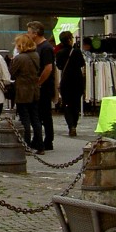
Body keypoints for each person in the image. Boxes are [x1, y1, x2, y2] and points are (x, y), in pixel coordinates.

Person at [10, 33, 43, 152]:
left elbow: (12, 74)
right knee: (35, 118)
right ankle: (39, 144)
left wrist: (11, 62)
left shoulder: (19, 58)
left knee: (25, 119)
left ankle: (26, 144)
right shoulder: (36, 55)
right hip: (34, 89)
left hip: (23, 91)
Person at [26, 22, 55, 151]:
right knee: (37, 113)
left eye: (29, 32)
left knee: (44, 113)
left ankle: (48, 139)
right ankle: (37, 139)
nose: (28, 34)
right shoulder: (36, 47)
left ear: (35, 33)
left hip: (44, 86)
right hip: (37, 86)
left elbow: (48, 68)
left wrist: (39, 82)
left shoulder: (46, 47)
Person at [55, 31, 85, 138]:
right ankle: (74, 125)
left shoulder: (59, 53)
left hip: (66, 80)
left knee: (67, 104)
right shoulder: (76, 51)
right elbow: (82, 63)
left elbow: (59, 66)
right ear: (69, 39)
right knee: (76, 104)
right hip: (77, 80)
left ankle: (70, 125)